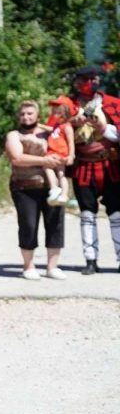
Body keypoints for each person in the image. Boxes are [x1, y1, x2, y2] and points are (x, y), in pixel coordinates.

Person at [4, 100, 68, 280]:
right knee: (28, 226)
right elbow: (17, 158)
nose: (26, 117)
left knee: (55, 224)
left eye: (30, 113)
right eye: (23, 114)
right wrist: (44, 161)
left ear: (37, 116)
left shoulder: (49, 134)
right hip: (24, 186)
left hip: (50, 187)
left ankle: (52, 266)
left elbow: (64, 132)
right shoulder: (14, 135)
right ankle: (28, 266)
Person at [67, 65, 120, 275]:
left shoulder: (113, 103)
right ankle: (90, 260)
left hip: (111, 165)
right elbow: (55, 131)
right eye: (86, 79)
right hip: (83, 166)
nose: (91, 81)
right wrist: (71, 122)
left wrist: (103, 129)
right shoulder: (68, 105)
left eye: (93, 78)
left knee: (117, 214)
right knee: (87, 214)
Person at [41, 97, 75, 205]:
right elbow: (50, 129)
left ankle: (55, 187)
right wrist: (38, 125)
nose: (53, 111)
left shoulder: (67, 127)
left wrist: (71, 156)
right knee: (61, 174)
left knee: (47, 166)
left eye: (56, 110)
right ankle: (63, 195)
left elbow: (71, 142)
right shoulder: (57, 125)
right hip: (55, 153)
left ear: (64, 112)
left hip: (59, 153)